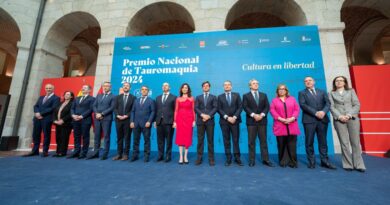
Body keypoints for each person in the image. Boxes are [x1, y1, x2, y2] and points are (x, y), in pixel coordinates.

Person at [329, 76, 366, 172]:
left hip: (352, 118)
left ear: (345, 82)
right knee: (344, 143)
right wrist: (340, 116)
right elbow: (331, 107)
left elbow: (357, 104)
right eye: (337, 81)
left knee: (355, 142)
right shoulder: (331, 93)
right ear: (334, 83)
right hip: (339, 120)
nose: (339, 82)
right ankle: (348, 164)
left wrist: (349, 115)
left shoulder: (351, 91)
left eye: (341, 80)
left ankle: (359, 165)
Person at [298, 76, 336, 169]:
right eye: (305, 81)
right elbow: (303, 105)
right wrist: (315, 113)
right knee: (309, 142)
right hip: (309, 120)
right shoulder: (302, 93)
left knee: (323, 142)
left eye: (310, 80)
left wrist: (323, 112)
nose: (308, 82)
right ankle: (311, 161)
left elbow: (328, 103)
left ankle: (325, 161)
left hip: (322, 119)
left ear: (314, 81)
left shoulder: (322, 91)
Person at [242, 79, 274, 167]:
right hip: (251, 121)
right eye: (254, 83)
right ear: (250, 86)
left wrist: (262, 115)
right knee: (251, 142)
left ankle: (266, 160)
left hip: (262, 121)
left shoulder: (264, 95)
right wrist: (254, 115)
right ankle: (252, 160)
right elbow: (245, 107)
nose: (256, 85)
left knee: (263, 141)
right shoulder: (246, 96)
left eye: (257, 83)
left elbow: (267, 107)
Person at [23, 84, 60, 157]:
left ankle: (45, 151)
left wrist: (41, 113)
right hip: (37, 119)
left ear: (53, 89)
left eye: (50, 88)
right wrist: (36, 113)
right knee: (35, 134)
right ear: (45, 89)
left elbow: (53, 108)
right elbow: (36, 106)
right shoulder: (41, 97)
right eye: (47, 88)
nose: (48, 89)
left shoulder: (56, 98)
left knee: (46, 135)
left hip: (46, 119)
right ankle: (35, 151)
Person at [270, 84, 300, 168]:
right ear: (277, 91)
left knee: (292, 145)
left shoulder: (292, 99)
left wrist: (292, 118)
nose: (281, 90)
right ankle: (283, 161)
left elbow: (297, 109)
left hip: (292, 124)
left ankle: (293, 162)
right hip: (280, 125)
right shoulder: (274, 100)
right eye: (280, 89)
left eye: (283, 89)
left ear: (286, 91)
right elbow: (272, 110)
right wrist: (281, 119)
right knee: (281, 145)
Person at [217, 80, 243, 166]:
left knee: (235, 140)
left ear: (231, 86)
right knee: (226, 140)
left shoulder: (237, 95)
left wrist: (234, 117)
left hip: (235, 121)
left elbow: (240, 107)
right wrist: (227, 117)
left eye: (228, 85)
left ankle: (237, 157)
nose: (227, 86)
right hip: (224, 121)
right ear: (223, 87)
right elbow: (219, 109)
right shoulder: (219, 97)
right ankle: (228, 158)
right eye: (225, 85)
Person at [87, 82, 115, 160]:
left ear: (110, 87)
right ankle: (96, 153)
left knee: (106, 136)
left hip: (106, 118)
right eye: (104, 86)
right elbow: (94, 105)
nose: (105, 87)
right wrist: (96, 113)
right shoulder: (99, 95)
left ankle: (105, 154)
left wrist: (102, 114)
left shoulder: (113, 96)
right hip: (97, 118)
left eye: (107, 86)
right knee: (97, 136)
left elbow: (112, 107)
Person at [69, 85, 95, 159]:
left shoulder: (92, 99)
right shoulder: (77, 98)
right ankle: (76, 151)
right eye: (82, 88)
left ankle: (84, 153)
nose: (83, 89)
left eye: (85, 88)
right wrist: (73, 115)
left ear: (89, 90)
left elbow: (90, 109)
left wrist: (82, 116)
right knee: (76, 136)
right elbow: (72, 108)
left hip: (85, 120)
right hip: (75, 120)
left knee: (85, 137)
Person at [130, 86, 155, 162]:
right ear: (140, 91)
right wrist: (131, 121)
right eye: (142, 90)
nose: (144, 91)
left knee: (146, 140)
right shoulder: (136, 100)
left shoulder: (151, 101)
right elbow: (133, 111)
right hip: (136, 123)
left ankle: (146, 155)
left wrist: (149, 121)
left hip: (146, 124)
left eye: (145, 90)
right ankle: (135, 155)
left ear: (148, 91)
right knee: (135, 140)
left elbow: (153, 112)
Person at [195, 81, 218, 166]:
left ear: (209, 87)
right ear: (202, 87)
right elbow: (196, 108)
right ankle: (199, 158)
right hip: (200, 121)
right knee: (200, 141)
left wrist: (208, 116)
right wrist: (202, 115)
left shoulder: (214, 97)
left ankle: (211, 159)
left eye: (207, 86)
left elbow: (215, 108)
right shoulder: (198, 97)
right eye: (204, 86)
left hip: (210, 121)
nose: (205, 87)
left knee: (210, 141)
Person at [112, 82, 135, 161]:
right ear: (122, 87)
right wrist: (117, 115)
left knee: (127, 138)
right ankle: (119, 154)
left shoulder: (133, 98)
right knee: (119, 138)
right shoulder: (117, 97)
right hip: (118, 120)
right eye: (124, 86)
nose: (125, 87)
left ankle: (126, 154)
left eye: (127, 86)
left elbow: (133, 109)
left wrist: (127, 115)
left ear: (130, 88)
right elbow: (114, 108)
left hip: (128, 120)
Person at [154, 82, 177, 162]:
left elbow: (176, 111)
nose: (164, 87)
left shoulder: (174, 97)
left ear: (169, 88)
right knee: (160, 140)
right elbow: (156, 110)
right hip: (159, 122)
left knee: (169, 140)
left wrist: (175, 121)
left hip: (169, 122)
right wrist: (155, 121)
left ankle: (168, 156)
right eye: (163, 86)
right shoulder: (158, 98)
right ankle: (160, 155)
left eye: (166, 85)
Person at [173, 83, 195, 165]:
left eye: (186, 88)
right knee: (180, 138)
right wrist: (175, 121)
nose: (185, 89)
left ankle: (185, 156)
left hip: (189, 120)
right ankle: (180, 157)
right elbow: (176, 110)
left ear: (188, 89)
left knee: (187, 138)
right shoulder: (178, 99)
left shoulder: (192, 98)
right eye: (183, 87)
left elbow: (193, 110)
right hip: (180, 120)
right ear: (181, 89)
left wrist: (194, 120)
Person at [52, 91, 74, 157]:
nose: (66, 95)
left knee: (64, 138)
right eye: (65, 94)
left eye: (68, 94)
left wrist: (63, 120)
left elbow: (70, 114)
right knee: (58, 138)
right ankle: (58, 152)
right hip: (57, 123)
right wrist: (55, 120)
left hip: (66, 124)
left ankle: (63, 152)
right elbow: (55, 112)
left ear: (71, 96)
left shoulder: (72, 104)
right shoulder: (60, 103)